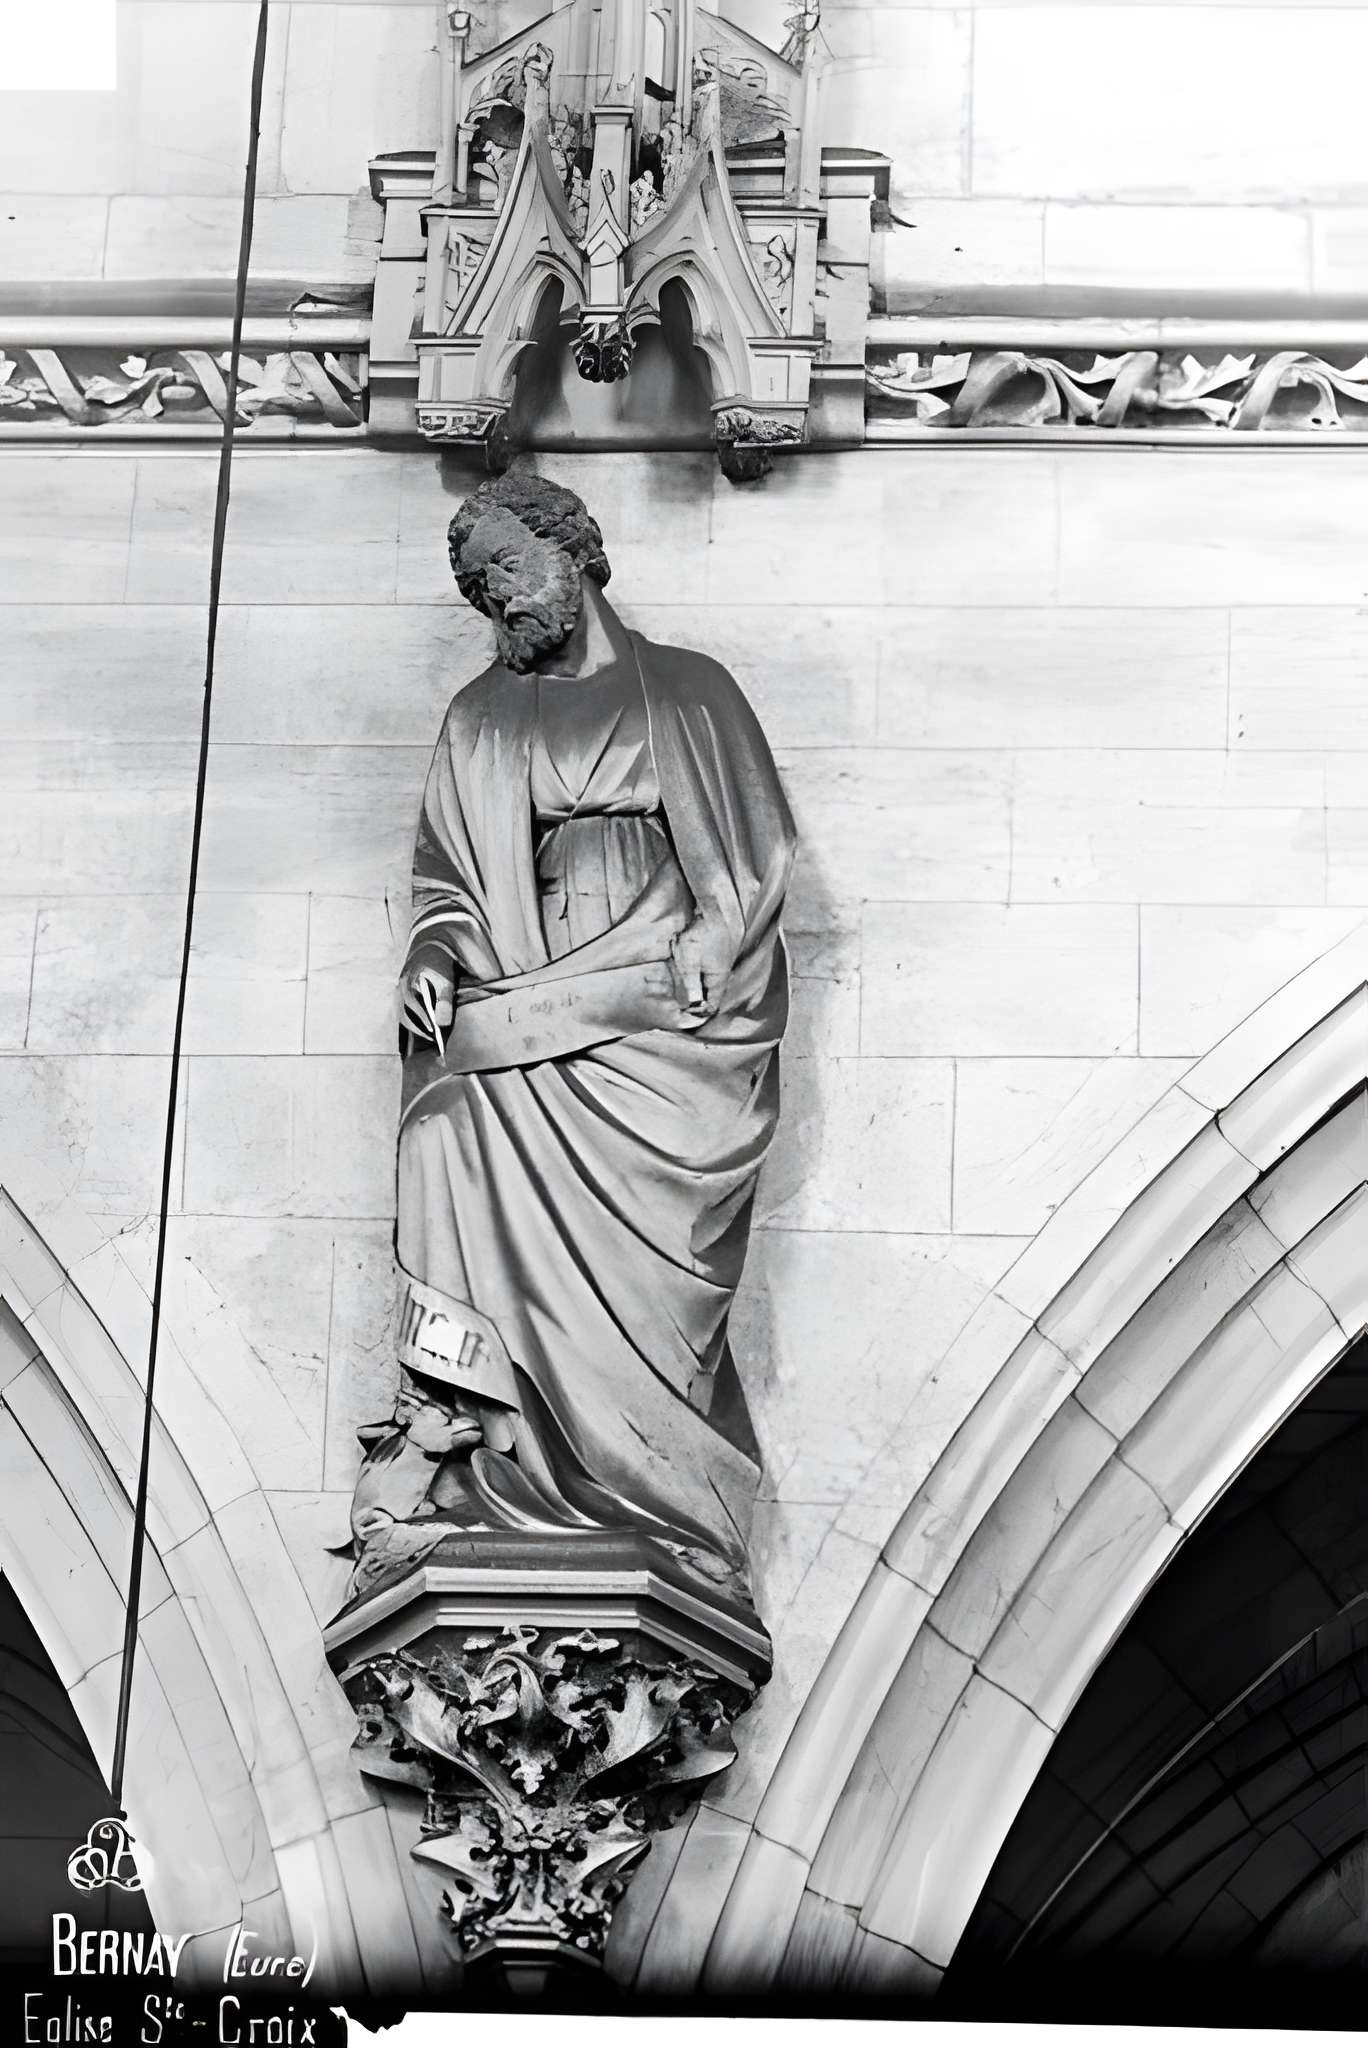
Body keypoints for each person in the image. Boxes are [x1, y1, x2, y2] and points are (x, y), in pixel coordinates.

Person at [353, 471, 794, 1609]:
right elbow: (445, 878)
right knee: (440, 1133)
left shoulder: (686, 693)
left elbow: (752, 854)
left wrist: (715, 929)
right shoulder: (480, 717)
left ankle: (666, 1491)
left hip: (653, 1017)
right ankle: (478, 1441)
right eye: (474, 585)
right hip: (516, 1015)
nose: (491, 597)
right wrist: (432, 957)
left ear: (573, 550)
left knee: (656, 1272)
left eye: (504, 566)